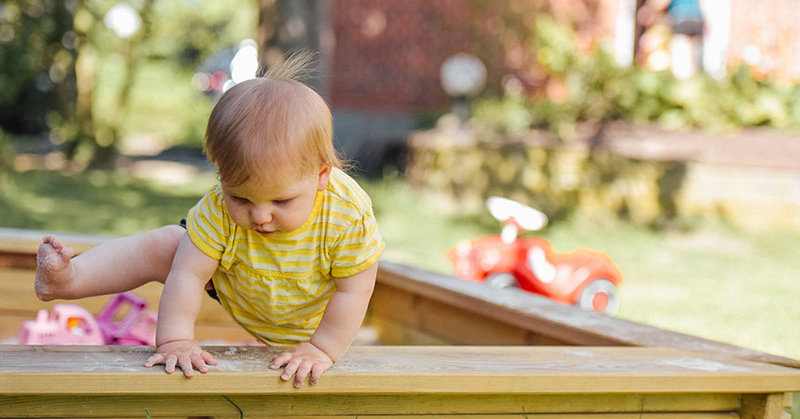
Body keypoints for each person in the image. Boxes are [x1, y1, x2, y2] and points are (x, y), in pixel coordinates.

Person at [33, 52, 385, 387]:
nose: (260, 216)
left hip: (313, 316)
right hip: (242, 283)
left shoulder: (346, 213)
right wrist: (175, 341)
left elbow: (355, 289)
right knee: (170, 244)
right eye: (241, 198)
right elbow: (188, 274)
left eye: (282, 200)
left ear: (322, 176)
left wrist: (322, 348)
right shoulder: (217, 207)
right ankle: (69, 279)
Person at [637, 0, 705, 79]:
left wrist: (649, 10)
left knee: (682, 62)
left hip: (680, 16)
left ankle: (684, 82)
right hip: (698, 17)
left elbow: (661, 2)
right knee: (694, 59)